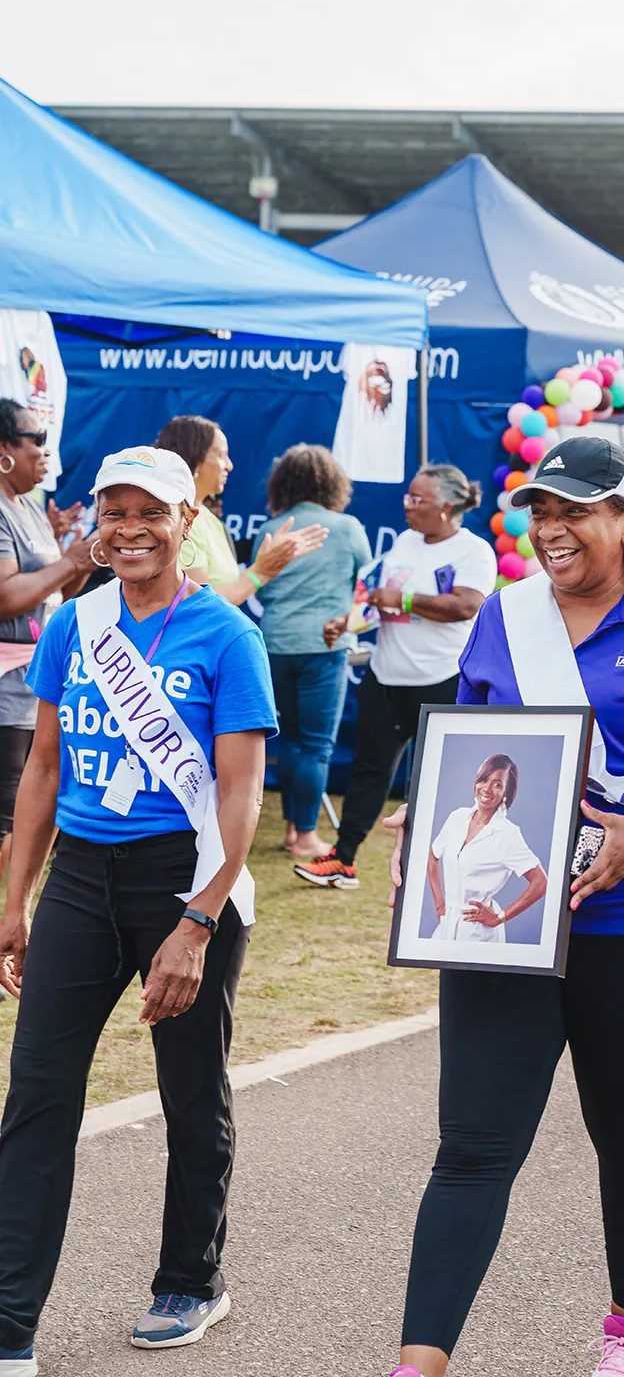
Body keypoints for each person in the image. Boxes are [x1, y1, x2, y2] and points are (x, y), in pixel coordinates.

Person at [383, 434, 624, 1377]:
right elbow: (474, 749)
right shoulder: (506, 618)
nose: (550, 529)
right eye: (539, 512)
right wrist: (421, 822)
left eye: (574, 511)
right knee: (472, 1145)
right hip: (507, 927)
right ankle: (414, 1365)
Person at [0, 446, 277, 1371]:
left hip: (185, 878)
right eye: (111, 513)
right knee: (37, 1095)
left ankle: (191, 1280)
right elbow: (42, 767)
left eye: (149, 512)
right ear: (92, 523)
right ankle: (9, 1326)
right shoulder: (72, 626)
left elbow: (238, 795)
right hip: (81, 875)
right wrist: (15, 898)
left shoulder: (226, 637)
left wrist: (197, 921)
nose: (129, 530)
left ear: (186, 520)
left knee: (190, 1091)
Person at [295, 463, 496, 890]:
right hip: (386, 677)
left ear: (446, 507)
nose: (406, 505)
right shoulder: (405, 541)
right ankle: (343, 860)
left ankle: (441, 870)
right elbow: (378, 602)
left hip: (441, 679)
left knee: (439, 777)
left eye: (417, 499)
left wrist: (402, 598)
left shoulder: (473, 550)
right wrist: (348, 623)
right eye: (407, 496)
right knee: (369, 771)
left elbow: (466, 606)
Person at [251, 445, 371, 861]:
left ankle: (293, 828)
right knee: (316, 745)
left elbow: (259, 586)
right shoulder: (347, 526)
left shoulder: (274, 528)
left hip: (274, 646)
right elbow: (365, 583)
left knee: (291, 743)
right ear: (331, 483)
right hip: (325, 646)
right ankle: (303, 836)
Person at [0, 401, 96, 886]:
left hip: (29, 685)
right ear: (3, 449)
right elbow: (6, 596)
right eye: (34, 438)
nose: (45, 449)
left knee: (24, 816)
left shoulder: (31, 507)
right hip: (4, 689)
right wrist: (69, 560)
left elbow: (51, 595)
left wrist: (75, 563)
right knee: (10, 820)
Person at [155, 415, 326, 603]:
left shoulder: (207, 517)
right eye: (221, 455)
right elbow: (198, 604)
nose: (229, 465)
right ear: (194, 457)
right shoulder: (178, 520)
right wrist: (261, 571)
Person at [428, 754, 547, 943]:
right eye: (484, 780)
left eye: (498, 784)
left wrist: (499, 918)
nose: (488, 789)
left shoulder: (507, 834)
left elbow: (540, 883)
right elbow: (433, 856)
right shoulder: (457, 818)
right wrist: (439, 905)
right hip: (447, 923)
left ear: (507, 791)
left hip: (478, 934)